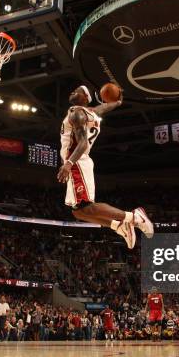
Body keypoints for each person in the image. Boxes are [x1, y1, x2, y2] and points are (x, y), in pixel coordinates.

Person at [56, 85, 153, 249]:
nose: (73, 92)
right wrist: (118, 101)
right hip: (80, 162)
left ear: (85, 98)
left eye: (77, 91)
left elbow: (83, 142)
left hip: (76, 162)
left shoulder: (77, 113)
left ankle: (135, 217)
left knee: (87, 207)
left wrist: (68, 163)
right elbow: (106, 106)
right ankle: (118, 226)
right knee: (78, 212)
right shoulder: (92, 112)